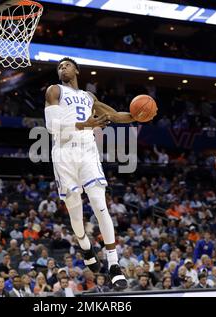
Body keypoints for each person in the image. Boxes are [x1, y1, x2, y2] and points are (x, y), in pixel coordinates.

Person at [44, 57, 146, 289]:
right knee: (76, 214)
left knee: (100, 205)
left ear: (76, 70)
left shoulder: (89, 97)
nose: (62, 68)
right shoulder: (54, 91)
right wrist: (84, 125)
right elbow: (51, 126)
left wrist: (138, 115)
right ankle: (85, 245)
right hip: (63, 154)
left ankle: (113, 265)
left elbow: (114, 115)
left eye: (66, 65)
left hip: (87, 151)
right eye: (59, 66)